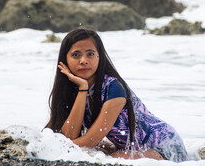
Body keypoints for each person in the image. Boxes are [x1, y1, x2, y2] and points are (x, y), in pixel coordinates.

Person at [46, 27, 188, 162]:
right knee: (99, 152)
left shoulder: (114, 88)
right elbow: (68, 136)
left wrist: (57, 148)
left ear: (99, 57)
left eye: (90, 54)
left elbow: (89, 140)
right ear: (65, 60)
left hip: (165, 148)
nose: (83, 61)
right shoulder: (75, 90)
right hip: (132, 148)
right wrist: (82, 89)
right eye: (76, 55)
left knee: (110, 160)